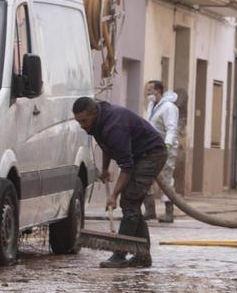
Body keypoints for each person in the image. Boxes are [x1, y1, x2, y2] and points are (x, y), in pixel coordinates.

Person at [72, 97, 167, 268]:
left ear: (94, 113)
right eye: (79, 122)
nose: (82, 126)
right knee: (132, 205)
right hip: (138, 155)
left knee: (129, 201)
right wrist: (106, 168)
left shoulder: (114, 126)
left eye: (84, 121)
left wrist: (113, 196)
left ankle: (119, 255)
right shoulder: (97, 123)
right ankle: (142, 256)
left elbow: (127, 165)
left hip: (151, 155)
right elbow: (107, 145)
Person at [143, 80, 180, 223]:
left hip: (165, 149)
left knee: (166, 179)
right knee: (145, 176)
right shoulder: (152, 105)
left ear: (158, 90)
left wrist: (168, 145)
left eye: (150, 89)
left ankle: (169, 212)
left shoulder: (169, 107)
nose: (147, 92)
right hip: (151, 148)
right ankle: (150, 209)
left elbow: (172, 128)